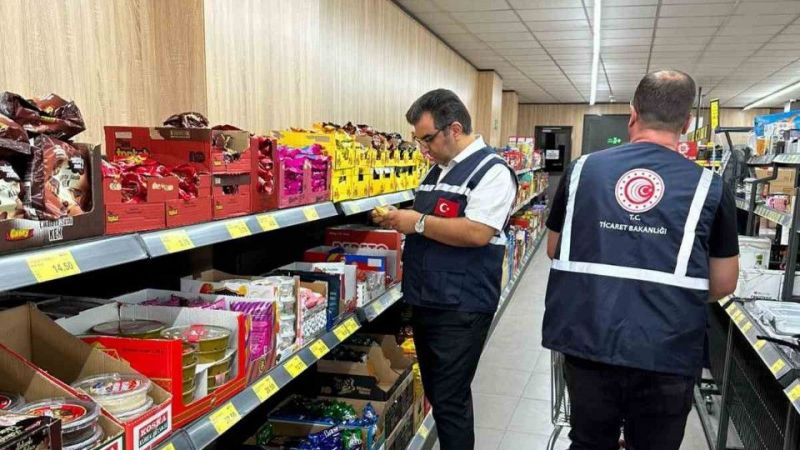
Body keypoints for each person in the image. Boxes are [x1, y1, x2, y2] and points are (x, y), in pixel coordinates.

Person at [542, 70, 739, 450]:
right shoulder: (710, 187)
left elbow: (555, 249)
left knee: (588, 442)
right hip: (667, 348)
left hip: (589, 338)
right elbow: (724, 282)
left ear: (633, 114)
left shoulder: (582, 170)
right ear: (687, 123)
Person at [372, 89, 517, 450]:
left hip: (461, 307)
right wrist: (399, 221)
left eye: (427, 139)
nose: (423, 148)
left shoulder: (492, 172)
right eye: (418, 140)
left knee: (451, 401)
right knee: (439, 394)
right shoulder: (438, 170)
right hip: (427, 299)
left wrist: (417, 222)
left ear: (454, 129)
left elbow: (477, 232)